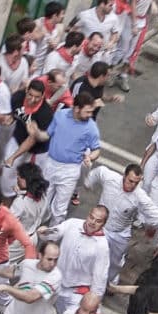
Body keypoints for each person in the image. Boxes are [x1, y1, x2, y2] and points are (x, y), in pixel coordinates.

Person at [85, 164, 158, 283]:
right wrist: (89, 182)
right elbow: (99, 171)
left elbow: (156, 213)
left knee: (114, 263)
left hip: (120, 234)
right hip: (100, 228)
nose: (133, 185)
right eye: (130, 181)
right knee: (90, 254)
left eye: (137, 182)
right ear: (124, 176)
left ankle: (109, 281)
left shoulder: (140, 196)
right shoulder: (110, 178)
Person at [41, 93, 102, 225]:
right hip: (50, 164)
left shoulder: (91, 127)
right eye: (87, 112)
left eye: (92, 111)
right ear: (76, 109)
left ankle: (51, 239)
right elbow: (47, 134)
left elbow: (96, 150)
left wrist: (89, 156)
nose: (90, 115)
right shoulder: (60, 115)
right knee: (42, 202)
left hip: (70, 170)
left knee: (60, 209)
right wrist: (36, 133)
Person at [42, 205, 111, 314]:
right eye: (91, 217)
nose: (93, 222)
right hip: (57, 281)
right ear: (88, 215)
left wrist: (94, 300)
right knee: (44, 311)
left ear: (103, 224)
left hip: (77, 292)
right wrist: (44, 232)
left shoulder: (102, 246)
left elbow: (100, 276)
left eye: (98, 221)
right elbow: (56, 232)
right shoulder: (72, 223)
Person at [1, 80, 55, 199]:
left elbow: (31, 141)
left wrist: (13, 157)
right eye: (30, 95)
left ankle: (29, 202)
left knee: (35, 180)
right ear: (26, 91)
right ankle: (8, 199)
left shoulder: (45, 113)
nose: (32, 99)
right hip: (18, 138)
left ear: (42, 96)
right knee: (7, 172)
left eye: (37, 97)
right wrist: (10, 118)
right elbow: (14, 113)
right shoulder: (18, 97)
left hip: (38, 150)